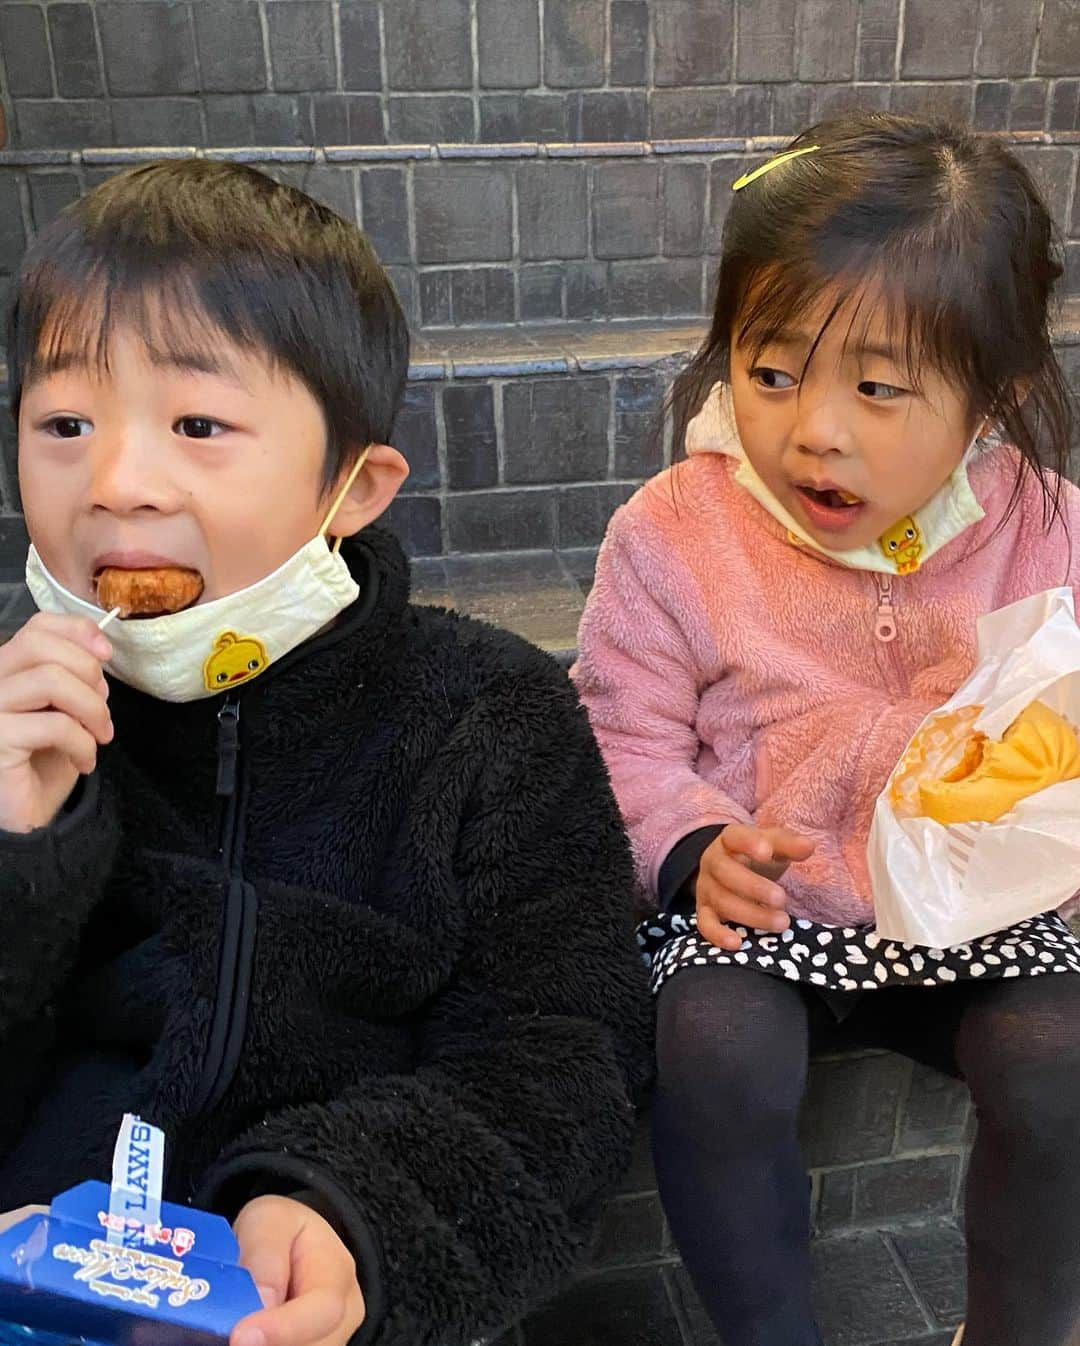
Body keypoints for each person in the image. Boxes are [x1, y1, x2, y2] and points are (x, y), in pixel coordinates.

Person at [0, 160, 652, 1346]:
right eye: (63, 423)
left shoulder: (487, 716)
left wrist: (349, 1208)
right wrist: (18, 851)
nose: (116, 485)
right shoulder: (16, 722)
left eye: (198, 423)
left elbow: (564, 1058)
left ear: (356, 486)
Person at [572, 114, 1080, 1346]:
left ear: (995, 389)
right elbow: (618, 735)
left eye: (880, 387)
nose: (815, 430)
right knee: (711, 1048)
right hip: (768, 902)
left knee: (1058, 1062)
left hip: (978, 903)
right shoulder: (674, 532)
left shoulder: (1047, 523)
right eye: (774, 368)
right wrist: (695, 846)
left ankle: (1022, 1325)